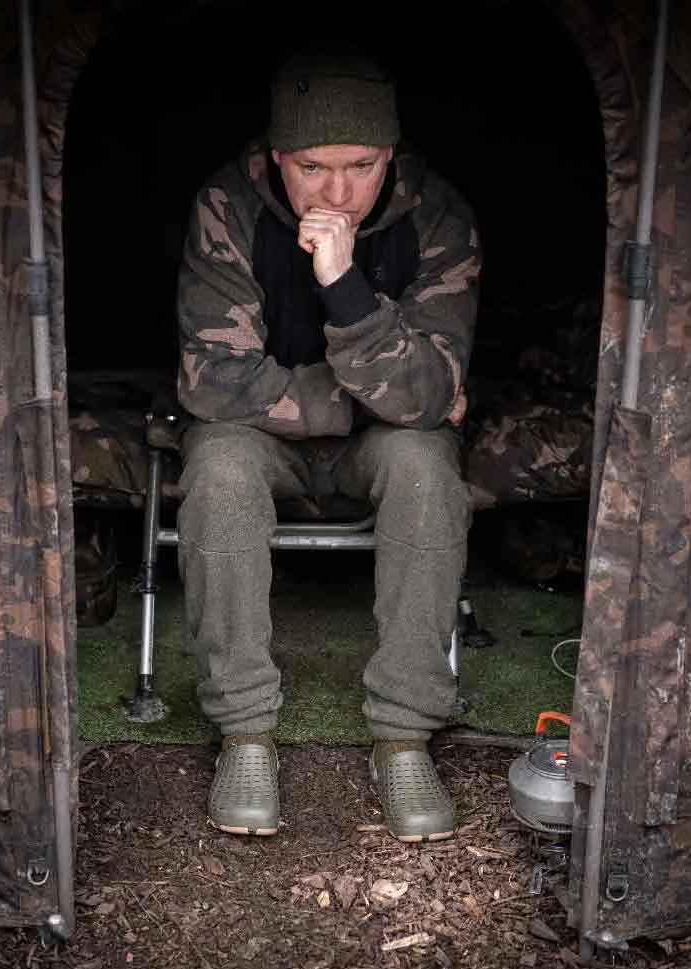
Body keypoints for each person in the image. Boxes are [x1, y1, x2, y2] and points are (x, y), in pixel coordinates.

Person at [174, 47, 482, 842]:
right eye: (312, 167)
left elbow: (427, 397)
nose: (337, 194)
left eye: (361, 166)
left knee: (425, 468)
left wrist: (345, 289)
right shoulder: (228, 205)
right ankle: (244, 732)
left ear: (392, 154)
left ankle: (404, 736)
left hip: (379, 448)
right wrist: (373, 398)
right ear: (278, 157)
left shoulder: (436, 217)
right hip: (259, 441)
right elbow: (213, 385)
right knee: (218, 468)